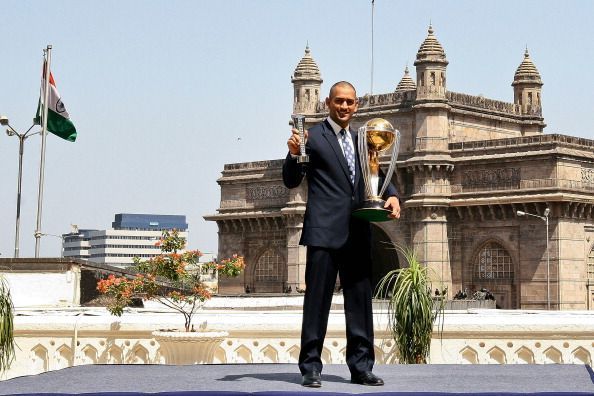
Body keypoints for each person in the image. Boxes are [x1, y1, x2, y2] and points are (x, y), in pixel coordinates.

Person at [283, 81, 400, 388]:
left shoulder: (364, 138)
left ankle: (361, 367)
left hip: (359, 229)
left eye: (350, 102)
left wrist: (392, 194)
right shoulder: (314, 137)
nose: (344, 106)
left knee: (360, 302)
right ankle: (310, 367)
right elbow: (292, 181)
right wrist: (293, 155)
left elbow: (373, 171)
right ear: (327, 103)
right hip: (324, 232)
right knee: (317, 302)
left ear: (357, 105)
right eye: (339, 101)